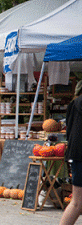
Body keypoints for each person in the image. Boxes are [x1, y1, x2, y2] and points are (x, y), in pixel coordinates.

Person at [60, 81, 82, 225]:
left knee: (76, 203)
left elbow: (69, 130)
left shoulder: (74, 104)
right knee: (77, 204)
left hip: (76, 154)